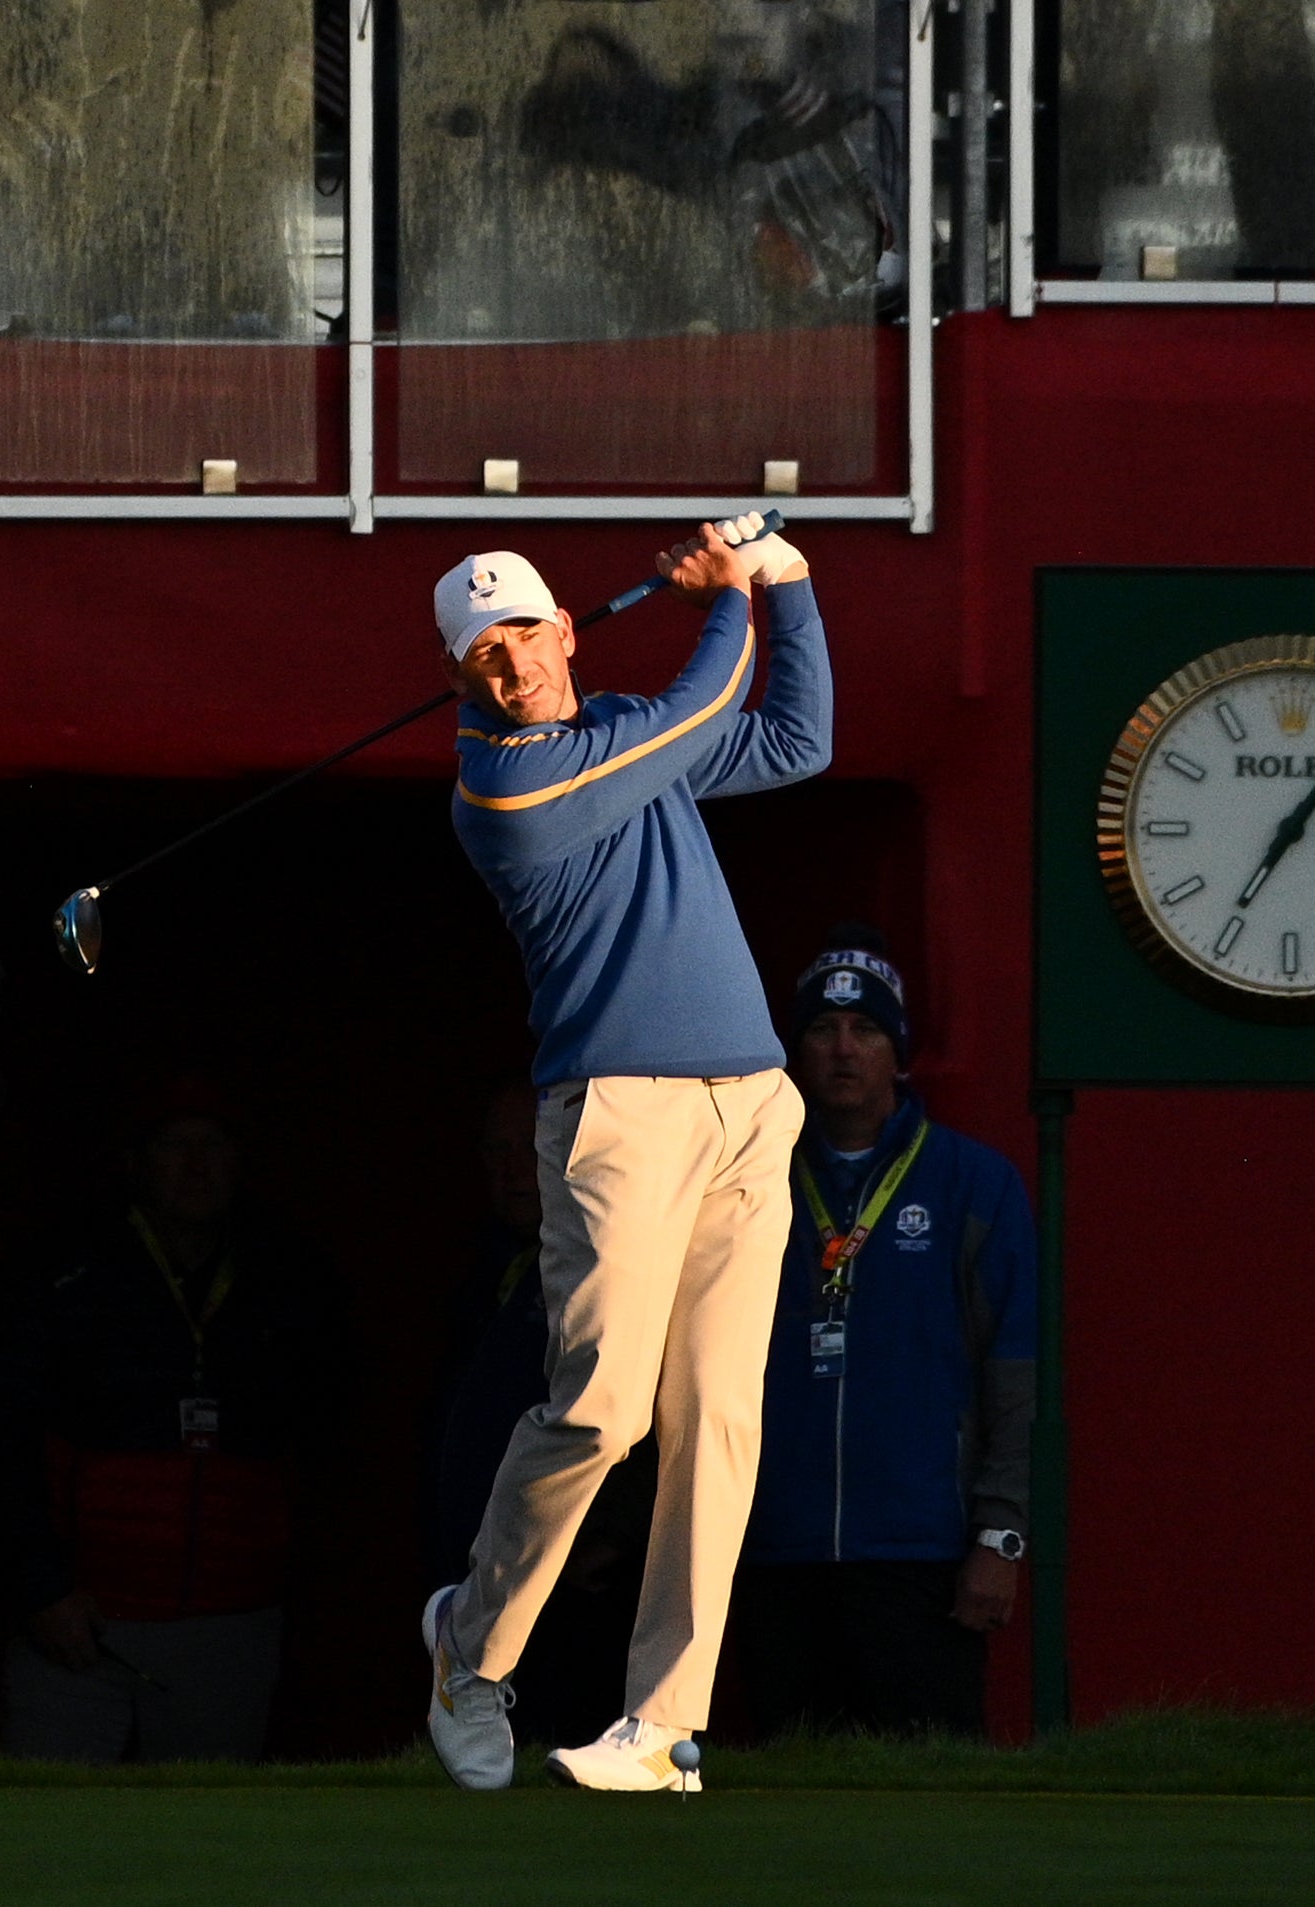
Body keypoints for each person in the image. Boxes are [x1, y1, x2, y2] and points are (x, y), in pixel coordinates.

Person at [421, 513, 829, 1792]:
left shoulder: (626, 747)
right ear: (458, 675)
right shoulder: (500, 789)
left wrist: (793, 588)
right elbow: (711, 689)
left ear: (562, 632)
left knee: (715, 1414)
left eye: (523, 632)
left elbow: (797, 738)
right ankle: (470, 1649)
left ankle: (663, 1723)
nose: (508, 662)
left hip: (750, 1104)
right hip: (614, 1116)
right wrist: (730, 589)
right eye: (480, 650)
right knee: (596, 1407)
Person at [0, 1090, 345, 1763]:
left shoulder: (290, 1281)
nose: (195, 1164)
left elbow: (329, 1451)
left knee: (207, 1852)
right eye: (175, 1144)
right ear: (135, 1162)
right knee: (44, 1842)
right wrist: (41, 1588)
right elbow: (1, 1442)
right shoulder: (64, 1275)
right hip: (79, 1624)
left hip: (231, 1628)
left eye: (213, 1144)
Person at [736, 929, 1038, 1737]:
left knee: (929, 1805)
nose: (842, 1049)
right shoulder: (746, 1181)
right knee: (783, 1803)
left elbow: (1014, 1377)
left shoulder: (973, 1183)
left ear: (897, 1051)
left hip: (920, 1554)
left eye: (865, 1030)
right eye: (821, 1030)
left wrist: (999, 1536)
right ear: (795, 1049)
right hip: (771, 1550)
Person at [426, 1082, 653, 1747]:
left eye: (523, 1149)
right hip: (475, 1575)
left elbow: (649, 1409)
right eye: (493, 1151)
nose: (508, 1169)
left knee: (565, 1749)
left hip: (578, 1578)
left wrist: (609, 1531)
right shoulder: (478, 1270)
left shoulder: (604, 1263)